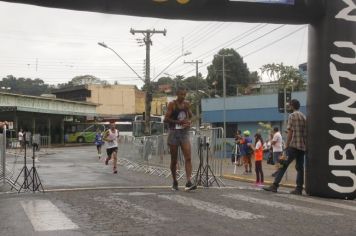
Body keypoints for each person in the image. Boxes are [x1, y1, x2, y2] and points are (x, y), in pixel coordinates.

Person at [264, 99, 307, 195]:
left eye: (289, 105)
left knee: (282, 164)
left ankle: (274, 185)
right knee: (300, 168)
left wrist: (286, 146)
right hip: (302, 146)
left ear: (292, 106)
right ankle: (299, 189)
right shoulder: (304, 116)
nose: (288, 107)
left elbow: (291, 132)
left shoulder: (292, 116)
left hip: (292, 146)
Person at [164, 87, 197, 191]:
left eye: (184, 95)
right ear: (177, 94)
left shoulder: (187, 104)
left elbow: (192, 116)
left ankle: (188, 181)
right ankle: (174, 181)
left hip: (184, 133)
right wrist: (178, 122)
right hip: (173, 133)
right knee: (174, 160)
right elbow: (166, 119)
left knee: (188, 157)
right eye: (181, 94)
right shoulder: (172, 104)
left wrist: (189, 122)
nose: (183, 97)